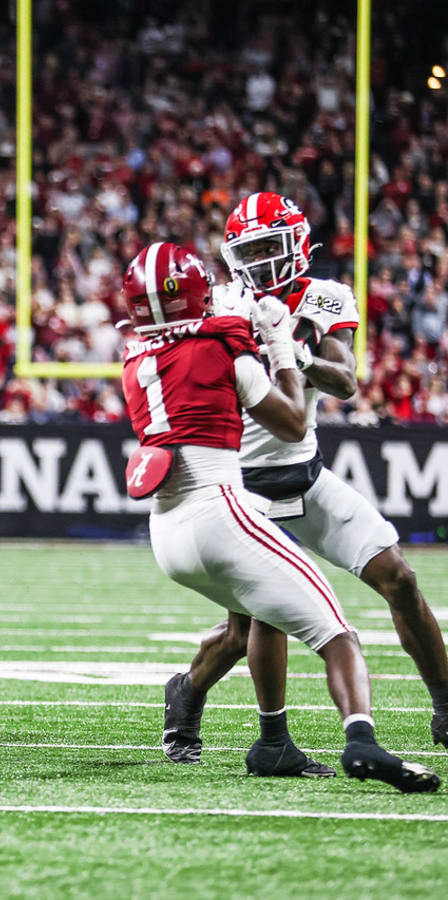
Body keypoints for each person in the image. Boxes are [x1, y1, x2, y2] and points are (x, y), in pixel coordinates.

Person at [120, 242, 437, 792]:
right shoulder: (221, 315)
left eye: (272, 245)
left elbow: (345, 381)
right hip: (241, 484)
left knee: (398, 577)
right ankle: (266, 733)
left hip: (298, 476)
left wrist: (293, 349)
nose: (263, 259)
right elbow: (272, 405)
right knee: (268, 621)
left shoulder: (321, 298)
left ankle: (445, 704)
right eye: (252, 249)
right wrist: (266, 343)